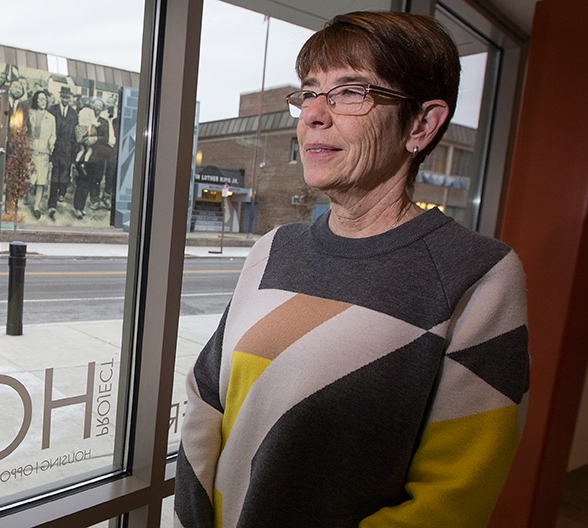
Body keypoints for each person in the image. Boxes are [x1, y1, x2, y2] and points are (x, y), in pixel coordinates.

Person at [174, 11, 530, 528]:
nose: (315, 114)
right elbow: (207, 395)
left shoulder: (479, 275)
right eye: (310, 92)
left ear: (422, 124)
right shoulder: (274, 248)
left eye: (350, 92)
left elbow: (452, 502)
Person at [48, 86, 79, 219]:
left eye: (68, 97)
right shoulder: (52, 110)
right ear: (60, 97)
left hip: (68, 149)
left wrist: (74, 154)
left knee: (65, 175)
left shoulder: (74, 114)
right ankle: (52, 205)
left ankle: (62, 192)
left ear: (70, 98)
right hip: (55, 147)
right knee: (54, 176)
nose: (65, 99)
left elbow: (75, 136)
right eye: (63, 97)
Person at [26, 90, 56, 220]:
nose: (42, 101)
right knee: (30, 177)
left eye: (44, 99)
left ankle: (36, 207)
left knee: (41, 181)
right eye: (40, 99)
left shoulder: (51, 117)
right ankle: (26, 194)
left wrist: (51, 142)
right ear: (35, 100)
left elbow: (53, 134)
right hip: (31, 149)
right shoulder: (30, 114)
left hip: (44, 151)